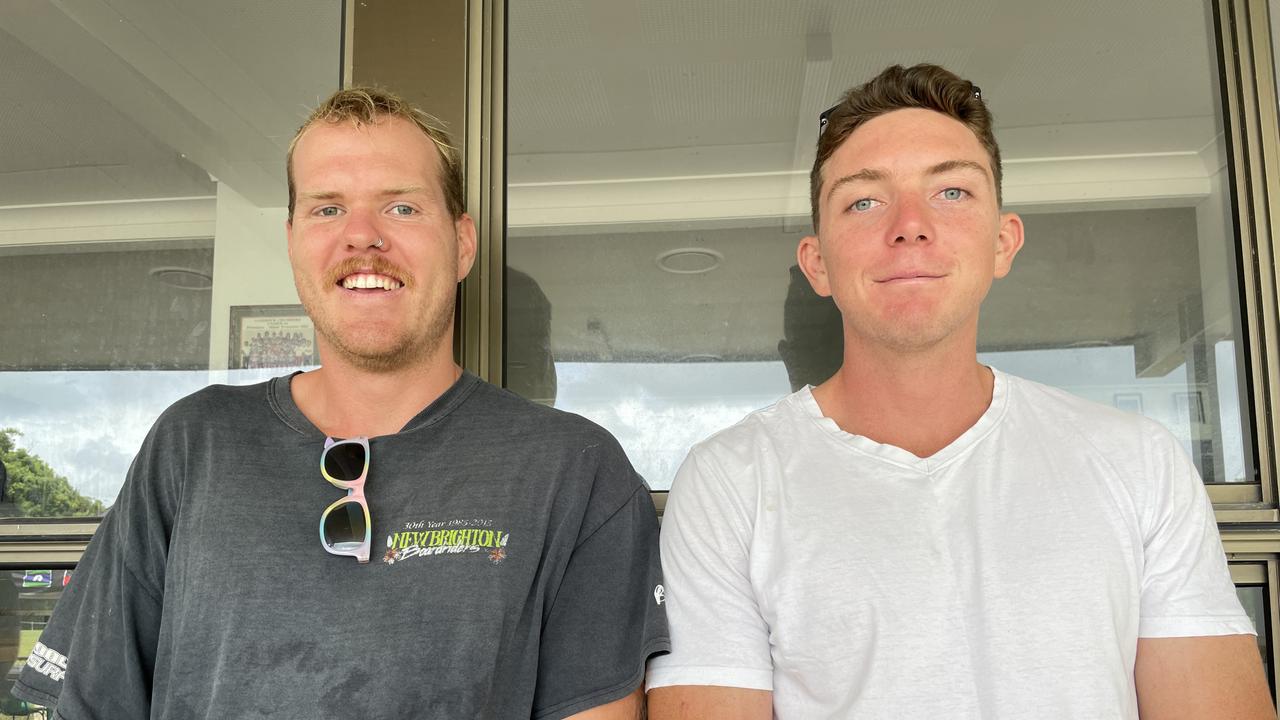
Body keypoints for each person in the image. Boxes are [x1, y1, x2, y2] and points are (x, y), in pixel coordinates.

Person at [13, 87, 668, 719]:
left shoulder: (575, 472)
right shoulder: (194, 445)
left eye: (402, 207)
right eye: (328, 207)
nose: (362, 237)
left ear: (462, 242)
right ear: (294, 238)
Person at [646, 64, 1272, 719]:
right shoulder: (731, 481)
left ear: (1003, 243)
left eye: (951, 192)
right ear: (819, 264)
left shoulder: (1138, 462)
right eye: (864, 200)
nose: (909, 225)